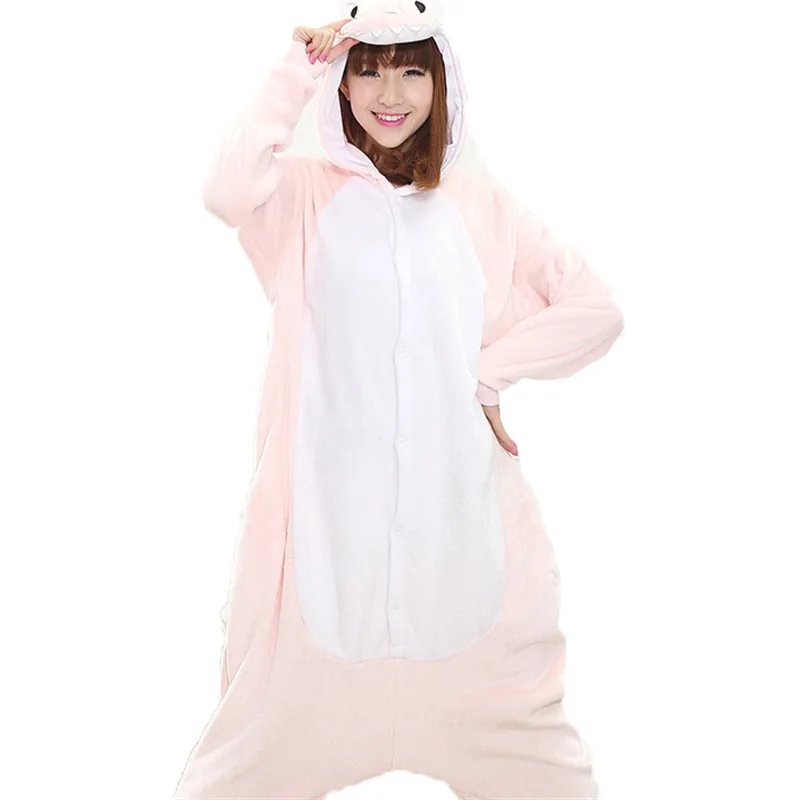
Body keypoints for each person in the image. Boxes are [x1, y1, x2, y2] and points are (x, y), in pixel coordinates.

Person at [172, 2, 623, 798]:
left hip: (462, 564)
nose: (391, 93)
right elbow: (225, 188)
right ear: (343, 87)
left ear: (440, 82)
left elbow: (595, 311)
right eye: (369, 70)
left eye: (413, 70)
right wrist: (301, 64)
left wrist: (488, 373)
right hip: (322, 570)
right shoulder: (303, 199)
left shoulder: (482, 208)